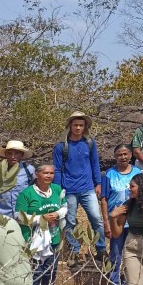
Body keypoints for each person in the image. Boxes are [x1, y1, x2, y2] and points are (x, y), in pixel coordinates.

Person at [53, 111, 106, 266]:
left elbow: (95, 163)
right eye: (75, 125)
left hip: (87, 188)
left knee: (96, 218)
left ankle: (101, 249)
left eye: (81, 125)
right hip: (68, 189)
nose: (78, 128)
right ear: (70, 126)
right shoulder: (61, 146)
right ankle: (74, 251)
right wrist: (58, 190)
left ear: (85, 127)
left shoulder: (89, 143)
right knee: (69, 221)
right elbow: (57, 169)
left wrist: (98, 183)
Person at [15, 164, 66, 285]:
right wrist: (40, 218)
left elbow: (64, 206)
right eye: (45, 173)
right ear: (37, 174)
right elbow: (18, 216)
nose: (49, 176)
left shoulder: (56, 189)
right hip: (32, 240)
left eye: (51, 173)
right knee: (35, 272)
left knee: (50, 271)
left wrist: (58, 214)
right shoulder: (27, 194)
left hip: (53, 237)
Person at [100, 144, 143, 285]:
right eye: (119, 155)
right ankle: (114, 284)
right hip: (116, 220)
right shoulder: (109, 175)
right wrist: (106, 222)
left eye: (125, 154)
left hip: (134, 221)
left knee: (134, 253)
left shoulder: (138, 173)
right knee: (116, 254)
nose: (123, 157)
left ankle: (132, 284)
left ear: (130, 155)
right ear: (115, 156)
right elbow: (104, 200)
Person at [0, 140, 35, 217]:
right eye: (9, 153)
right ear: (5, 154)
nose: (13, 156)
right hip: (1, 213)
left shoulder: (29, 169)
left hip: (23, 212)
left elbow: (33, 189)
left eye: (16, 153)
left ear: (21, 155)